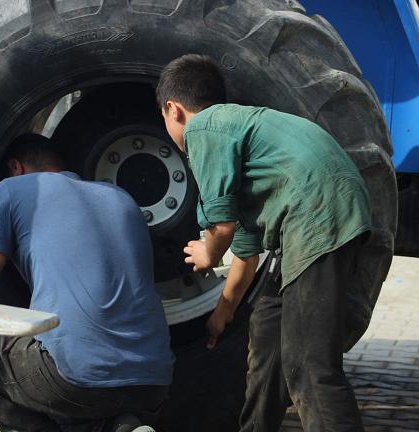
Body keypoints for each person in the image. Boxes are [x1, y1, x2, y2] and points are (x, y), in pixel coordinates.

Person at [156, 54, 371, 432]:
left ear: (173, 109)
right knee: (268, 338)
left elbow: (221, 229)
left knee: (308, 362)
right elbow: (246, 251)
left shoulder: (203, 128)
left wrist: (207, 251)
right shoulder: (240, 135)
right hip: (318, 211)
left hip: (317, 215)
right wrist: (223, 311)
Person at [0, 134, 173, 432]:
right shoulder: (120, 196)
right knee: (83, 389)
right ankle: (122, 426)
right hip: (154, 379)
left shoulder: (10, 189)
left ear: (16, 167)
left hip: (76, 378)